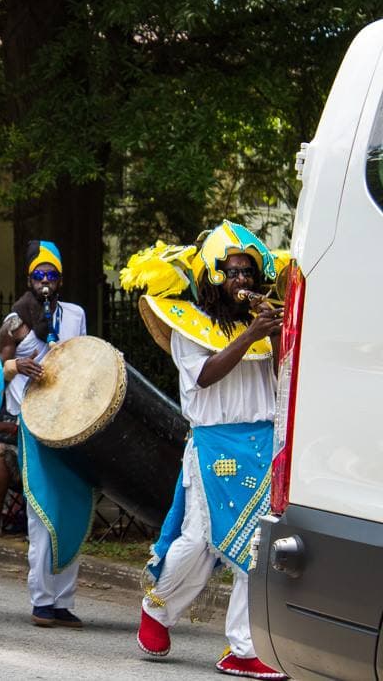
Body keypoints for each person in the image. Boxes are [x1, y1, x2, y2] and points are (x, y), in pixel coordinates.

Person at [122, 221, 287, 679]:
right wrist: (252, 335)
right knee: (199, 542)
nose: (242, 281)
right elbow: (206, 375)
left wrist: (275, 335)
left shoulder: (256, 323)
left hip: (262, 441)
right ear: (212, 276)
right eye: (233, 272)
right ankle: (157, 609)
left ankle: (243, 646)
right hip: (216, 444)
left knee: (254, 545)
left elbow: (282, 380)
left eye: (249, 274)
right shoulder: (187, 327)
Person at [0, 240, 89, 629]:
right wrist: (17, 364)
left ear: (61, 279)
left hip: (71, 419)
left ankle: (63, 600)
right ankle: (42, 599)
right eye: (39, 275)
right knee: (40, 510)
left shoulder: (75, 314)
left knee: (72, 507)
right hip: (34, 421)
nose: (46, 281)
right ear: (29, 279)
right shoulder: (15, 318)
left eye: (52, 275)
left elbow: (84, 357)